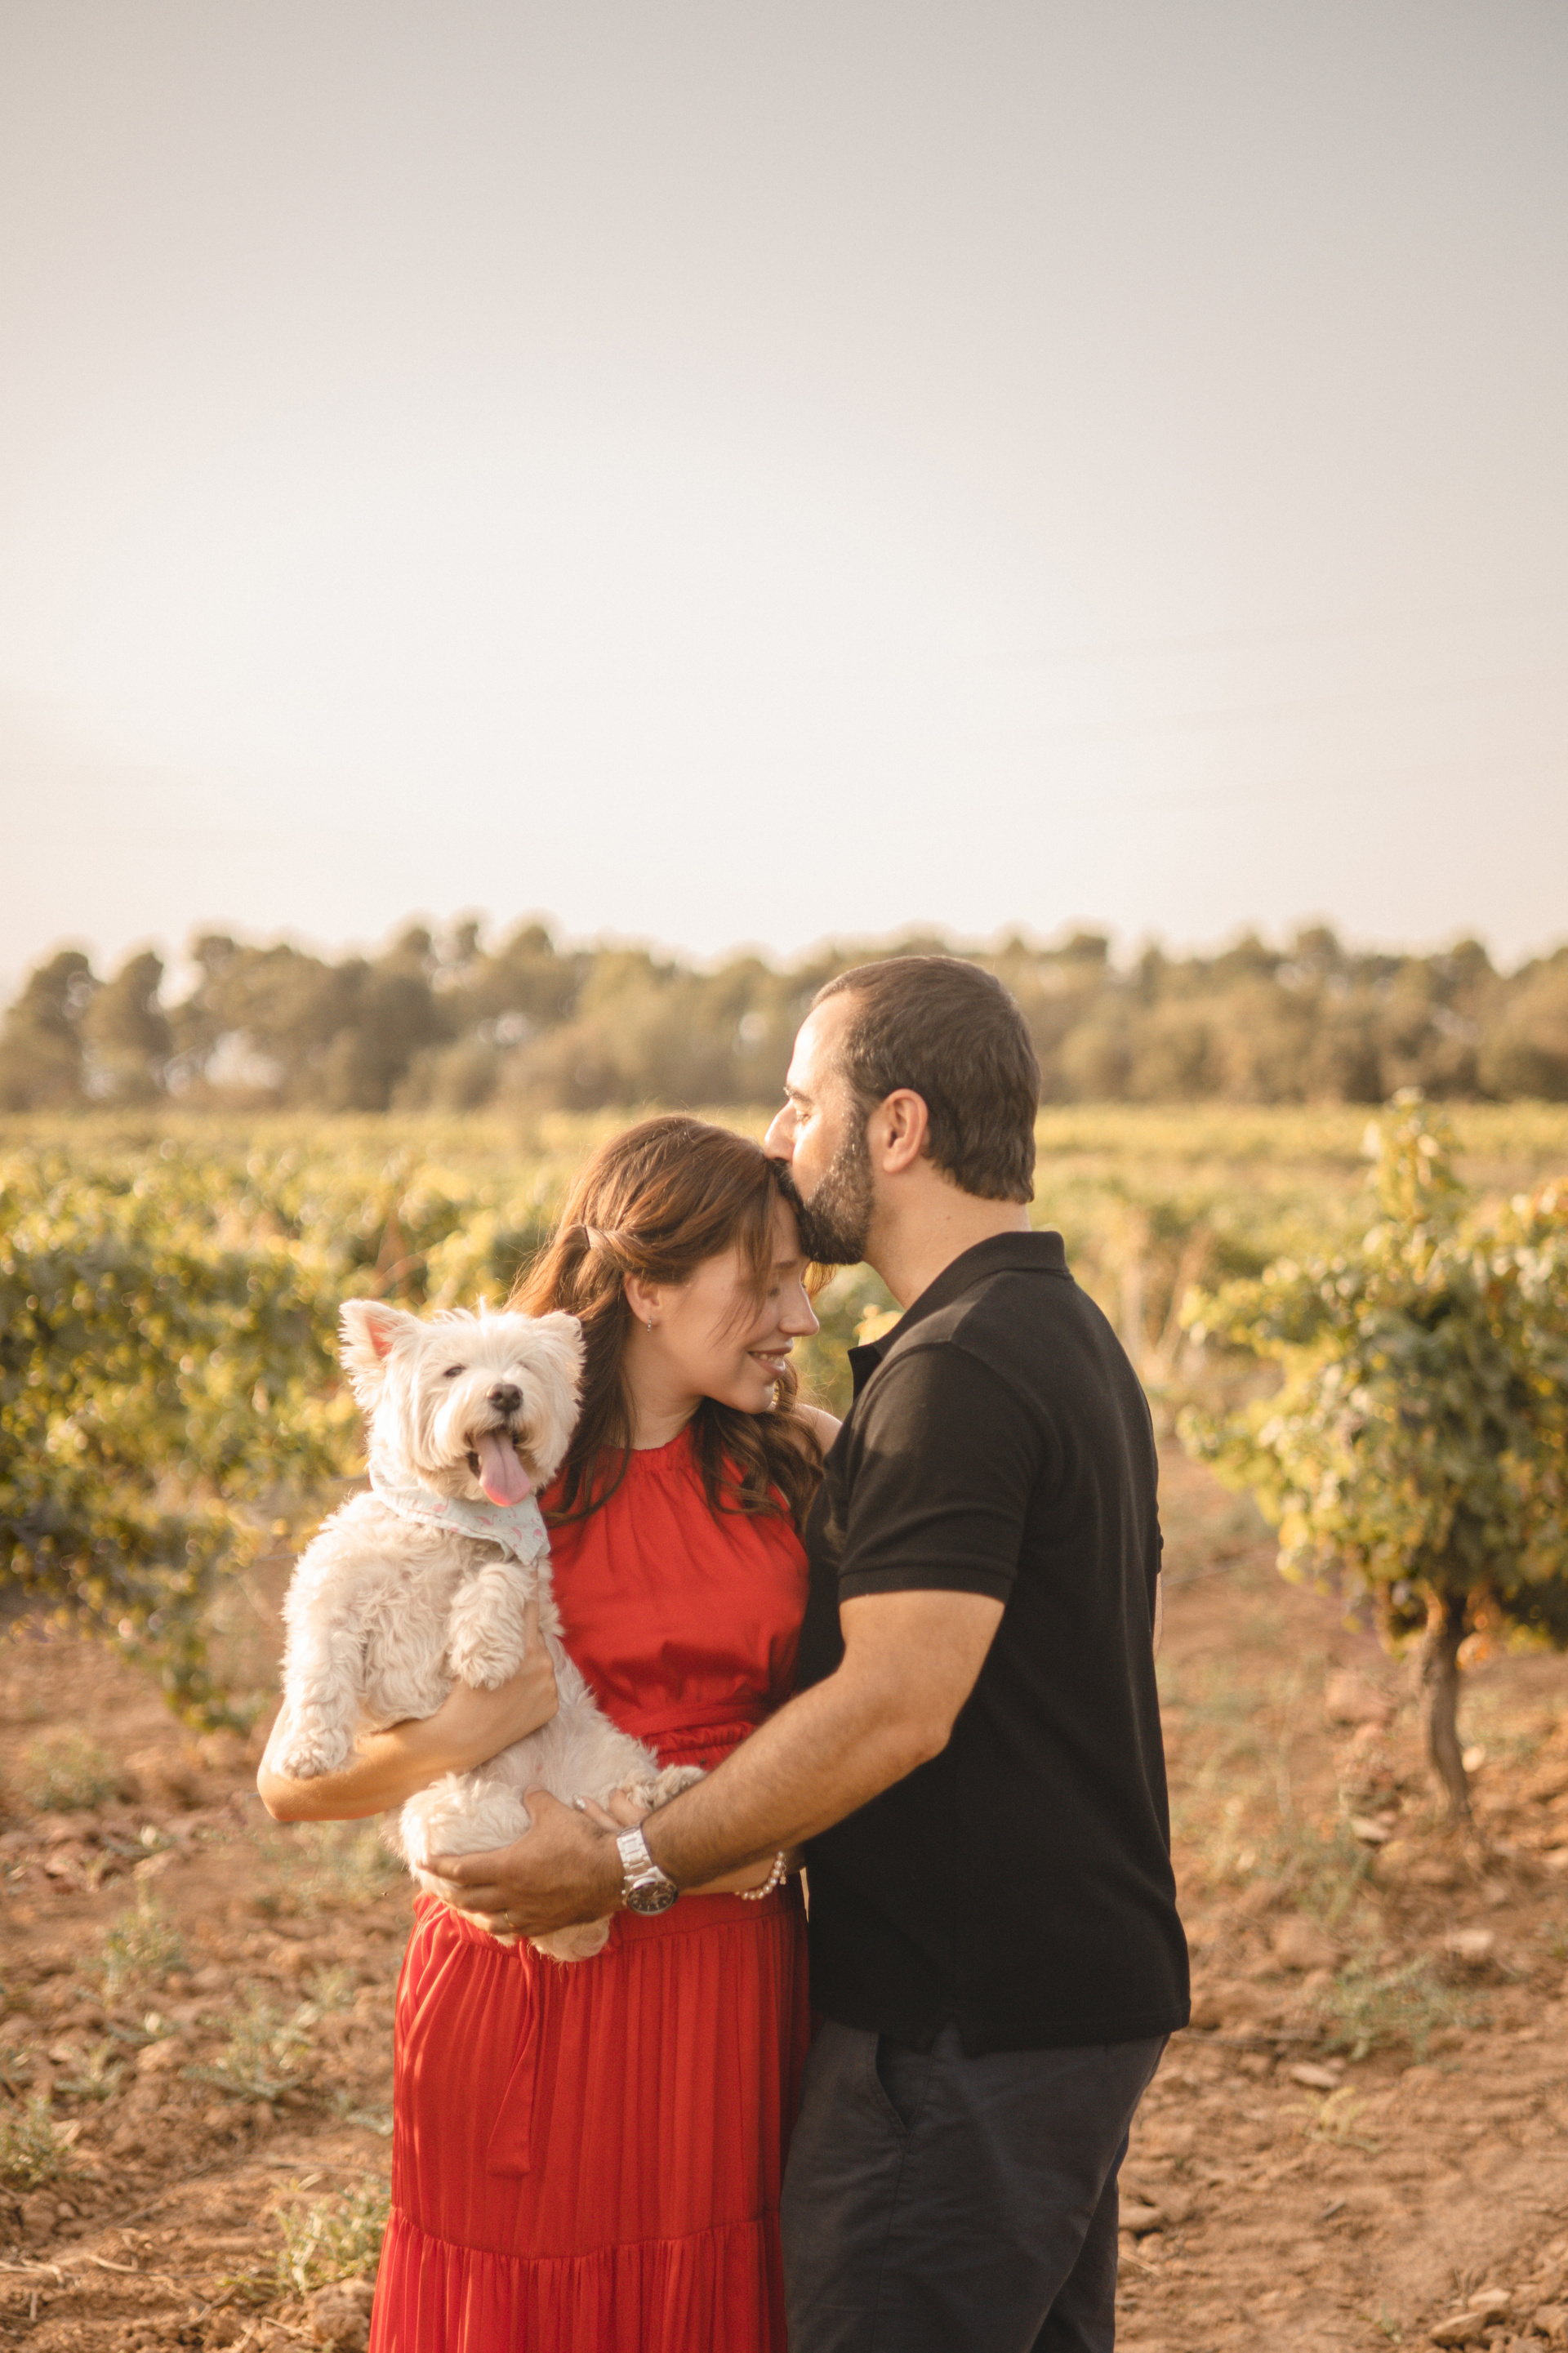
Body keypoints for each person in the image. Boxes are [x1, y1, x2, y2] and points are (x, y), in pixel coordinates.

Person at [437, 955, 1190, 2353]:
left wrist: (626, 1863)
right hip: (1052, 2007)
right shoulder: (1060, 1331)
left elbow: (896, 1704)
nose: (779, 1135)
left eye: (801, 1100)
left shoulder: (960, 1367)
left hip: (957, 2024)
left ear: (896, 1127)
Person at [257, 1115, 836, 2353]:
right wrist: (469, 1731)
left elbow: (862, 1724)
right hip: (522, 1973)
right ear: (649, 1286)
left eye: (804, 1283)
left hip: (725, 1974)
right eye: (765, 1282)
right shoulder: (485, 1466)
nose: (796, 1318)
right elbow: (292, 1786)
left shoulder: (802, 1460)